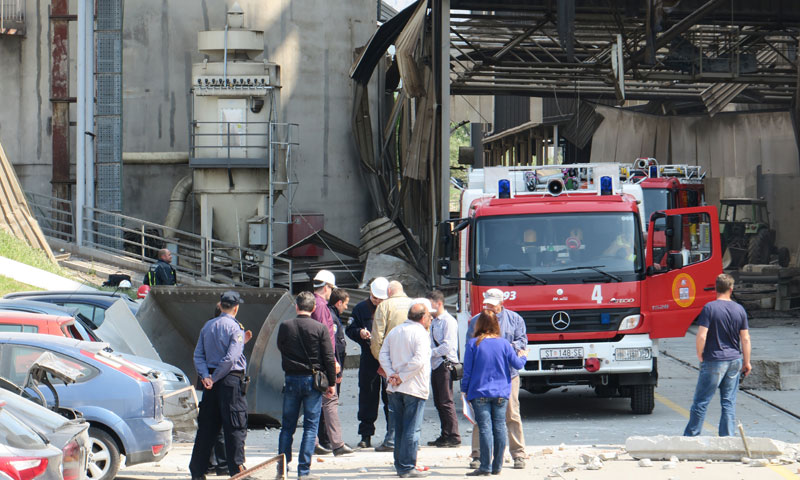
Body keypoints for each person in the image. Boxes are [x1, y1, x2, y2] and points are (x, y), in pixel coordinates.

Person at [277, 292, 337, 480]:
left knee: (287, 426)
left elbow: (281, 346)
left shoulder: (285, 326)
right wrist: (332, 382)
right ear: (313, 308)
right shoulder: (319, 328)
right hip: (313, 381)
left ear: (296, 306)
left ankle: (282, 469)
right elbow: (328, 356)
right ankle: (304, 471)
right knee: (311, 427)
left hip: (292, 378)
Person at [466, 288, 528, 470]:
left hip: (508, 375)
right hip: (483, 376)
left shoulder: (515, 320)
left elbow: (522, 341)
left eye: (492, 304)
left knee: (512, 414)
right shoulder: (476, 320)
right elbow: (470, 344)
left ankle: (518, 454)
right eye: (487, 303)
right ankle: (477, 454)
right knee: (481, 419)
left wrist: (506, 347)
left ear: (502, 303)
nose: (489, 307)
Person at [189, 291, 248, 479]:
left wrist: (207, 376)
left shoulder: (207, 326)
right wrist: (215, 378)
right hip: (230, 381)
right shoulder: (235, 329)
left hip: (210, 383)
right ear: (236, 308)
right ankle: (236, 470)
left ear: (220, 306)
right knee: (235, 428)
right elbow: (231, 358)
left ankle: (197, 472)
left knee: (207, 428)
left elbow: (198, 355)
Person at [684, 274, 751, 437]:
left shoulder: (709, 308)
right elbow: (746, 338)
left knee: (701, 401)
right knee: (728, 402)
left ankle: (691, 436)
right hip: (734, 360)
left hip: (714, 359)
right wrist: (747, 362)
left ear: (715, 288)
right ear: (731, 288)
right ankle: (727, 438)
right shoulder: (739, 309)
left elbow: (701, 336)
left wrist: (700, 353)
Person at [379, 299, 434, 478]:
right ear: (423, 317)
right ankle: (407, 466)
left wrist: (391, 374)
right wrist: (400, 376)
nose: (430, 319)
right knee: (412, 429)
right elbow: (419, 361)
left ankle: (400, 465)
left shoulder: (395, 331)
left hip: (395, 387)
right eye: (429, 316)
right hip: (413, 387)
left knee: (400, 428)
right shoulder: (421, 334)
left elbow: (383, 354)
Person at [309, 270, 354, 456]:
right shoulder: (320, 307)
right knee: (329, 400)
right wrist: (333, 362)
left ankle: (318, 441)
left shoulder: (313, 303)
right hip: (323, 361)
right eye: (331, 289)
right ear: (327, 287)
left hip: (317, 360)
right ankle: (335, 444)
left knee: (317, 402)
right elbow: (325, 337)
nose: (331, 292)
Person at [345, 277, 390, 449]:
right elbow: (350, 329)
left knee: (390, 398)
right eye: (375, 298)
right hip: (369, 358)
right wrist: (359, 332)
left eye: (381, 299)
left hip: (388, 360)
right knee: (367, 397)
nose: (377, 301)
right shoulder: (361, 308)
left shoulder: (390, 308)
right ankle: (366, 435)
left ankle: (391, 434)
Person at [370, 280, 414, 452]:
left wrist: (382, 362)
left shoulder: (384, 306)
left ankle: (391, 440)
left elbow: (377, 338)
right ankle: (410, 441)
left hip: (391, 363)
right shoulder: (414, 304)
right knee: (412, 403)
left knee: (393, 403)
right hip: (411, 364)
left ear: (388, 291)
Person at [426, 290, 461, 448]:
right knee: (438, 402)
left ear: (438, 303)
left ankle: (454, 436)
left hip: (444, 364)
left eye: (430, 303)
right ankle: (444, 434)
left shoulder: (448, 321)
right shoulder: (433, 321)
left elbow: (448, 346)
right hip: (435, 364)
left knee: (446, 401)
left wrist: (429, 353)